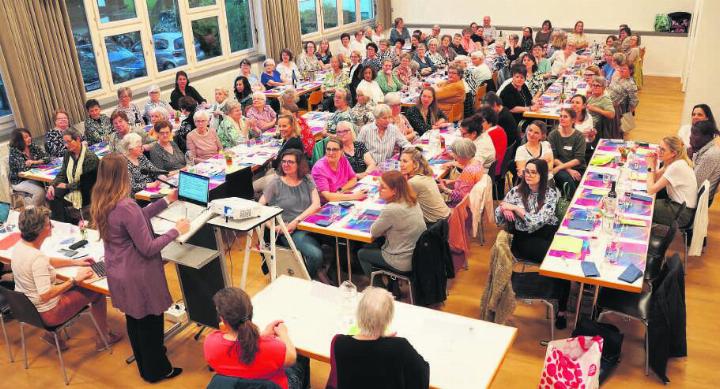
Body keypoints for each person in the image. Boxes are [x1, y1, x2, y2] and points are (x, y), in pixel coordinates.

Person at [90, 154, 189, 383]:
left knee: (135, 320)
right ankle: (157, 370)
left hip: (118, 270)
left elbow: (137, 218)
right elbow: (148, 247)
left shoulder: (102, 199)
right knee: (151, 324)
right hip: (138, 274)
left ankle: (145, 366)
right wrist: (176, 231)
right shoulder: (126, 205)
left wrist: (166, 201)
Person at [12, 206, 122, 351]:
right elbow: (45, 295)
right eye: (48, 224)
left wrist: (75, 261)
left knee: (68, 284)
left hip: (28, 309)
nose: (51, 226)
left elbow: (47, 261)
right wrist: (74, 280)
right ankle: (103, 337)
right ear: (39, 230)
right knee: (96, 292)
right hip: (48, 313)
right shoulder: (36, 258)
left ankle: (51, 336)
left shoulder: (20, 247)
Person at [495, 158, 568, 328]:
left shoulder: (551, 193)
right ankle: (562, 309)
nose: (528, 175)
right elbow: (498, 220)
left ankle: (563, 295)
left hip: (546, 232)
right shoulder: (515, 192)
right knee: (559, 261)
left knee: (566, 256)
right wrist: (503, 208)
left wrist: (516, 209)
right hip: (524, 239)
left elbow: (536, 222)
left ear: (542, 175)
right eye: (527, 171)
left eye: (533, 172)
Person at [205, 287, 309, 389]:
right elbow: (291, 358)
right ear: (251, 311)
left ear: (223, 320)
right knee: (302, 357)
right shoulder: (272, 348)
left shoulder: (210, 344)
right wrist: (284, 334)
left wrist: (262, 336)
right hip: (273, 385)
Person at [327, 287, 429, 389]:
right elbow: (422, 373)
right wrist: (387, 341)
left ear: (359, 313)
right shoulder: (400, 347)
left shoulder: (338, 343)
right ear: (388, 318)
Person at [259, 149, 326, 282]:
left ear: (299, 164)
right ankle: (304, 280)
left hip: (310, 224)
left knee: (337, 243)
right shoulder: (275, 183)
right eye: (283, 161)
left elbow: (316, 204)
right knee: (315, 255)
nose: (286, 164)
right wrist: (271, 226)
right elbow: (260, 207)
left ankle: (320, 274)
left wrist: (297, 220)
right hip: (289, 230)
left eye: (290, 162)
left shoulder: (307, 179)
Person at [357, 171, 426, 275]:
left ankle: (379, 288)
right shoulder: (411, 200)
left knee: (362, 253)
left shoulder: (391, 209)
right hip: (419, 255)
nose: (379, 189)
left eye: (383, 187)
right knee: (374, 244)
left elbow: (374, 232)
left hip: (402, 261)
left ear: (394, 191)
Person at [46, 128, 98, 223]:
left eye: (68, 142)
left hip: (86, 191)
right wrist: (52, 185)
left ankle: (67, 222)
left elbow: (86, 184)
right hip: (72, 185)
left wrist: (66, 186)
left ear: (78, 139)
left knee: (58, 200)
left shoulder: (90, 158)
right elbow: (63, 173)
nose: (66, 145)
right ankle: (65, 223)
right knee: (52, 194)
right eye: (64, 142)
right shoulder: (68, 154)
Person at [646, 136, 698, 227]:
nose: (658, 152)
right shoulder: (674, 161)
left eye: (663, 150)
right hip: (679, 206)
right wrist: (653, 164)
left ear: (673, 153)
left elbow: (650, 190)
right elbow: (655, 178)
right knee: (646, 201)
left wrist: (650, 166)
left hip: (682, 213)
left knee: (645, 206)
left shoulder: (676, 166)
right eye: (659, 147)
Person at [400, 147, 451, 224]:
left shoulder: (414, 182)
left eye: (405, 161)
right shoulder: (426, 174)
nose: (401, 165)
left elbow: (400, 203)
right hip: (446, 219)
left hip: (435, 226)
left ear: (415, 164)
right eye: (400, 161)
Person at [311, 137, 367, 203]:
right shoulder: (319, 168)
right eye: (328, 149)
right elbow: (328, 196)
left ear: (341, 151)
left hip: (343, 196)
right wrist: (354, 196)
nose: (331, 153)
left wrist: (340, 190)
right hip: (327, 204)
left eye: (335, 149)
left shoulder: (343, 159)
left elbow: (353, 179)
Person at [548, 108, 586, 197]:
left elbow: (578, 159)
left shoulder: (579, 136)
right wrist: (568, 170)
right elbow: (553, 157)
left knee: (583, 180)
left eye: (565, 117)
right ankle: (569, 204)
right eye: (560, 116)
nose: (562, 118)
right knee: (566, 178)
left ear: (573, 120)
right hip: (558, 167)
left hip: (577, 167)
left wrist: (562, 168)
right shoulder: (553, 135)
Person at [9, 128, 50, 205]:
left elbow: (48, 157)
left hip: (35, 177)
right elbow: (24, 169)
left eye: (29, 136)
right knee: (40, 192)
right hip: (19, 181)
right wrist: (40, 162)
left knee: (51, 187)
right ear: (19, 140)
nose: (29, 138)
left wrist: (34, 162)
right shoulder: (14, 151)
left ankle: (49, 210)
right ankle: (30, 213)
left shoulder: (32, 146)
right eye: (25, 137)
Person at [440, 138, 485, 207]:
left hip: (463, 207)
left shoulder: (468, 171)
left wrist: (444, 189)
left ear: (461, 156)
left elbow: (461, 197)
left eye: (455, 155)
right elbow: (470, 184)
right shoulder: (477, 163)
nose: (454, 157)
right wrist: (452, 181)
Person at [690, 121, 720, 201]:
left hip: (693, 201)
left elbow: (693, 184)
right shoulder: (704, 148)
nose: (690, 137)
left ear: (707, 137)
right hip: (691, 195)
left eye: (695, 134)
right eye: (691, 133)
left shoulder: (711, 155)